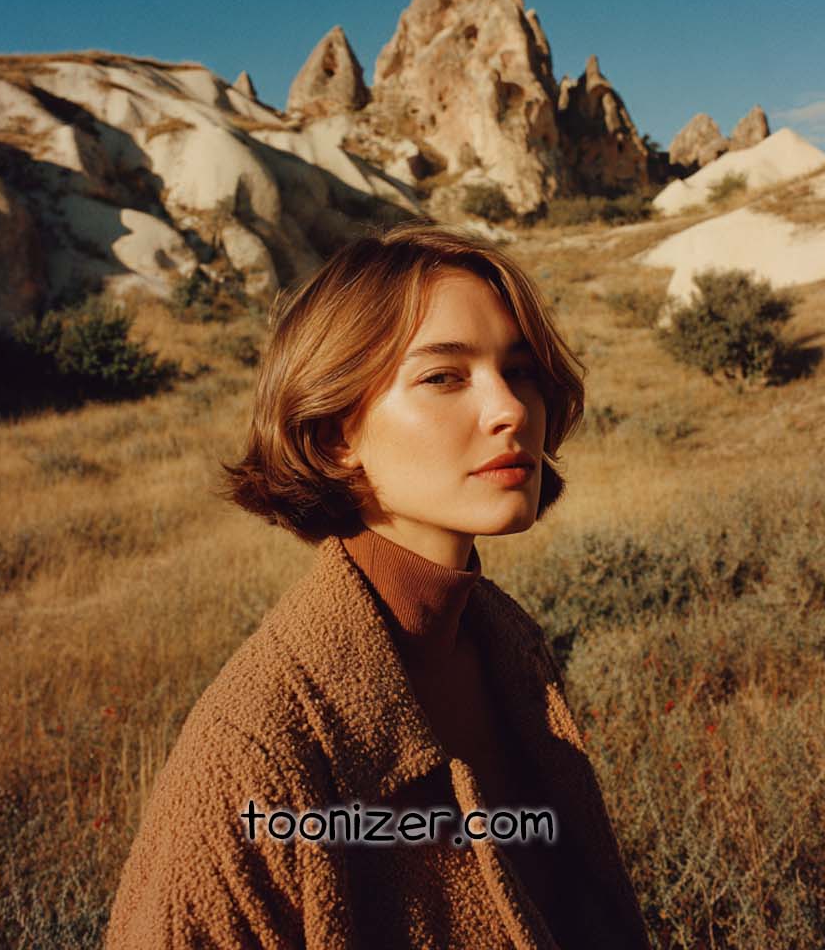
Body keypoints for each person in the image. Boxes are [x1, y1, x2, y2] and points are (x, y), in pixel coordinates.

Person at [105, 223, 649, 949]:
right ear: (335, 434)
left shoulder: (504, 641)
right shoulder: (257, 748)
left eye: (518, 370)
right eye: (443, 377)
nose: (511, 409)